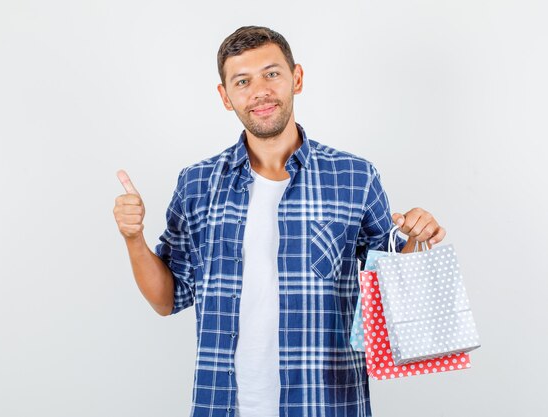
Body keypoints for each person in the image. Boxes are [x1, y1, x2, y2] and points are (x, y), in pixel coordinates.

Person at [113, 26, 446, 417]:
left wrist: (416, 238)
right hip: (223, 404)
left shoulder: (355, 176)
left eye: (272, 73)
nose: (260, 91)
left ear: (297, 78)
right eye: (243, 81)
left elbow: (392, 299)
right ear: (225, 96)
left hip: (327, 405)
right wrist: (133, 238)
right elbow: (167, 300)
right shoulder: (196, 184)